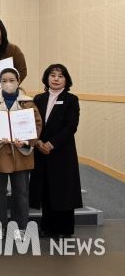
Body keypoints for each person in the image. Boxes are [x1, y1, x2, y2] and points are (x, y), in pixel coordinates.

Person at [0, 68, 42, 241]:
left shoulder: (28, 102)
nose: (8, 83)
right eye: (4, 80)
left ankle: (21, 226)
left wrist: (26, 141)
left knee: (21, 193)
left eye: (12, 80)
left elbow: (37, 124)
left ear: (18, 82)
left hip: (21, 154)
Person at [30, 64, 81, 238]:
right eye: (52, 75)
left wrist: (51, 144)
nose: (56, 79)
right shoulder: (38, 98)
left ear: (66, 80)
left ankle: (64, 229)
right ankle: (47, 226)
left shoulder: (71, 99)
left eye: (60, 76)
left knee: (63, 190)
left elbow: (71, 126)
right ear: (47, 78)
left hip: (61, 151)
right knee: (46, 189)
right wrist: (37, 142)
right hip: (40, 150)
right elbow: (33, 123)